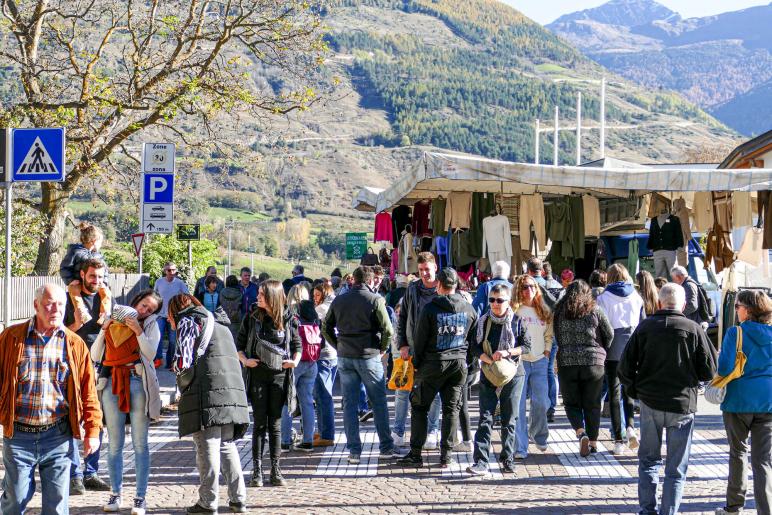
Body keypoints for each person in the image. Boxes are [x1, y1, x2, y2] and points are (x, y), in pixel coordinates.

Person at [0, 284, 102, 514]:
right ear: (36, 305)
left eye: (60, 304)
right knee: (15, 499)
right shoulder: (11, 337)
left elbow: (88, 392)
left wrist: (92, 432)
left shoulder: (75, 344)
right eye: (49, 304)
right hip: (18, 435)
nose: (55, 309)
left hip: (58, 435)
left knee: (57, 505)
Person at [619, 283, 716, 515]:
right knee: (676, 467)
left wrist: (636, 391)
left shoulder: (645, 328)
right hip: (682, 403)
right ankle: (668, 511)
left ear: (660, 302)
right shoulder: (693, 329)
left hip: (650, 401)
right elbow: (710, 370)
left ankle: (647, 510)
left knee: (649, 461)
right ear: (683, 305)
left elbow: (624, 367)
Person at [168, 294, 250, 514]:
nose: (169, 321)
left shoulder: (189, 320)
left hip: (207, 392)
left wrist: (175, 372)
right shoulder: (220, 323)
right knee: (226, 445)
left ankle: (208, 501)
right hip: (230, 393)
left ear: (175, 310)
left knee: (207, 448)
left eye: (169, 316)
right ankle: (238, 499)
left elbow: (182, 361)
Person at [90, 290, 163, 515]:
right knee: (114, 444)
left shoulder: (150, 325)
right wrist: (104, 329)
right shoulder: (114, 318)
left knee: (140, 443)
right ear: (136, 302)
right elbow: (95, 355)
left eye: (150, 309)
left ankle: (140, 497)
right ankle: (115, 494)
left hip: (137, 381)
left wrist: (138, 331)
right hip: (112, 381)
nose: (144, 310)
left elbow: (150, 354)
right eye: (143, 305)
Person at [397, 268, 478, 468]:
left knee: (419, 407)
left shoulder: (431, 309)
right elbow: (474, 341)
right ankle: (446, 455)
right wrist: (468, 364)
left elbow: (419, 341)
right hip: (458, 365)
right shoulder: (469, 309)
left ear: (439, 285)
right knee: (451, 410)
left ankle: (416, 454)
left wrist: (416, 366)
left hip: (433, 364)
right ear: (456, 286)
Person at [322, 266, 398, 464]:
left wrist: (337, 344)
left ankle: (354, 451)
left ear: (353, 280)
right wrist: (382, 349)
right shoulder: (375, 300)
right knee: (379, 402)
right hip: (369, 355)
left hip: (345, 354)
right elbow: (388, 330)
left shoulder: (339, 300)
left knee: (349, 404)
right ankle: (386, 447)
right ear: (371, 280)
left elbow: (326, 326)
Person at [236, 280, 301, 488]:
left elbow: (297, 344)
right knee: (259, 425)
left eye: (262, 295)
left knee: (275, 424)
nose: (258, 297)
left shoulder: (289, 317)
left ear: (273, 296)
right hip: (258, 375)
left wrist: (295, 361)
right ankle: (257, 471)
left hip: (280, 376)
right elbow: (239, 344)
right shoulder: (253, 316)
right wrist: (245, 360)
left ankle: (275, 469)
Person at [715, 290, 772, 515]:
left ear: (747, 310)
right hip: (768, 402)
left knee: (737, 453)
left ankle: (734, 507)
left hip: (738, 401)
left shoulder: (735, 333)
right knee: (763, 461)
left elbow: (725, 368)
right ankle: (766, 510)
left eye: (737, 306)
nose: (735, 309)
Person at [466, 283, 530, 476]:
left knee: (509, 418)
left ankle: (507, 459)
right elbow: (474, 346)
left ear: (508, 301)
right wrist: (486, 359)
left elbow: (526, 346)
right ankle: (481, 461)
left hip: (513, 372)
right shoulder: (483, 321)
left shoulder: (517, 321)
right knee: (485, 417)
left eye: (499, 300)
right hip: (488, 372)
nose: (495, 304)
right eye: (492, 300)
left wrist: (507, 352)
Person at [63, 258, 112, 493]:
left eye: (100, 277)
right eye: (93, 276)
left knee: (96, 419)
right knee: (74, 418)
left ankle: (91, 472)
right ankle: (75, 475)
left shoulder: (106, 298)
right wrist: (76, 324)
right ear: (82, 275)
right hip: (72, 364)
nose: (97, 281)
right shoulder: (68, 299)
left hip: (100, 364)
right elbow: (59, 332)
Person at [552, 280, 613, 456]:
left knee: (571, 403)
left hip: (567, 362)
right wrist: (601, 350)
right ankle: (593, 443)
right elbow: (609, 334)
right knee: (593, 404)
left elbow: (557, 335)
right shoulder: (595, 310)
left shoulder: (559, 312)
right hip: (593, 362)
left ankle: (581, 432)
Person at [395, 252, 443, 449]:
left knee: (434, 393)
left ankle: (432, 430)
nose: (424, 274)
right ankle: (398, 431)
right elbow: (403, 316)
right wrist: (402, 344)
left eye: (427, 270)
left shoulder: (442, 288)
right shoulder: (413, 288)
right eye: (421, 270)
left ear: (435, 268)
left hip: (436, 350)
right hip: (412, 347)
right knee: (402, 389)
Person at [595, 263, 645, 455]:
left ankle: (618, 439)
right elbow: (642, 324)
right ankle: (631, 426)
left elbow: (600, 326)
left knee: (614, 395)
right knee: (628, 391)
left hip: (612, 349)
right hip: (632, 348)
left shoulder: (603, 298)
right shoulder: (636, 297)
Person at [512, 274, 553, 459]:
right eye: (524, 287)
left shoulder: (543, 309)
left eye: (531, 286)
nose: (528, 290)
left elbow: (549, 334)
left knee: (542, 402)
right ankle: (520, 447)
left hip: (539, 360)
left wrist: (547, 351)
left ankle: (538, 434)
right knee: (518, 406)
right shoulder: (514, 311)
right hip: (520, 362)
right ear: (518, 290)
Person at [280, 296, 319, 452]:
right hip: (312, 363)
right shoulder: (315, 324)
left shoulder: (296, 322)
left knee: (287, 401)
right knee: (307, 402)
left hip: (295, 363)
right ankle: (308, 440)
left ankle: (284, 441)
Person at [59, 222, 110, 326]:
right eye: (100, 242)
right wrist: (71, 280)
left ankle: (104, 315)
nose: (101, 244)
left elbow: (105, 271)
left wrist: (104, 282)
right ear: (94, 241)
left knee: (106, 293)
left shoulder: (98, 255)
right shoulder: (75, 252)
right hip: (78, 283)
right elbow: (64, 268)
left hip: (94, 284)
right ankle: (82, 314)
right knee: (75, 295)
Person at [313, 283, 337, 447]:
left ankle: (327, 433)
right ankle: (322, 430)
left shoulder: (321, 309)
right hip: (332, 354)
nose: (314, 298)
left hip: (324, 355)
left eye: (317, 295)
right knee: (322, 395)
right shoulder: (335, 305)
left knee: (323, 396)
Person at [153, 262, 189, 369]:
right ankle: (158, 359)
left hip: (174, 316)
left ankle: (171, 362)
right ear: (165, 271)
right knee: (157, 338)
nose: (171, 272)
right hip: (160, 315)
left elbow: (187, 296)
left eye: (173, 270)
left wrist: (181, 310)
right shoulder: (159, 282)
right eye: (169, 270)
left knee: (173, 341)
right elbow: (154, 296)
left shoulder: (180, 283)